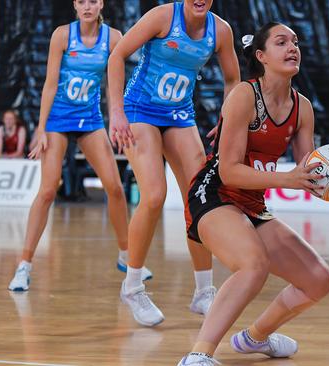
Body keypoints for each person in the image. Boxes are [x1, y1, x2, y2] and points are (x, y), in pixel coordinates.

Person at [178, 23, 329, 365]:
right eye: (281, 42)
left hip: (251, 202)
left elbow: (307, 168)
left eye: (295, 42)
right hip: (214, 194)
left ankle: (254, 338)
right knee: (253, 265)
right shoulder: (245, 95)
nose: (292, 47)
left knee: (319, 280)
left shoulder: (302, 107)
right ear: (261, 56)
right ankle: (197, 355)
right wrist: (288, 179)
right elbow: (228, 170)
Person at [107, 0, 240, 327]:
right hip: (140, 110)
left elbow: (233, 80)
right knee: (153, 195)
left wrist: (228, 119)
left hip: (179, 115)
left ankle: (203, 293)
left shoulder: (220, 30)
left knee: (201, 201)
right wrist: (116, 112)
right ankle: (133, 286)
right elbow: (116, 56)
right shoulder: (163, 16)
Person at [7, 0, 151, 292]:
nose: (88, 7)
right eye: (82, 1)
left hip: (90, 119)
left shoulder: (113, 38)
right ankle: (24, 265)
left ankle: (125, 256)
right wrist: (41, 128)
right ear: (75, 5)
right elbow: (49, 83)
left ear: (101, 5)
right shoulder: (62, 35)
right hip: (58, 119)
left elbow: (114, 82)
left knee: (114, 187)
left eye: (93, 1)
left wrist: (116, 119)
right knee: (48, 191)